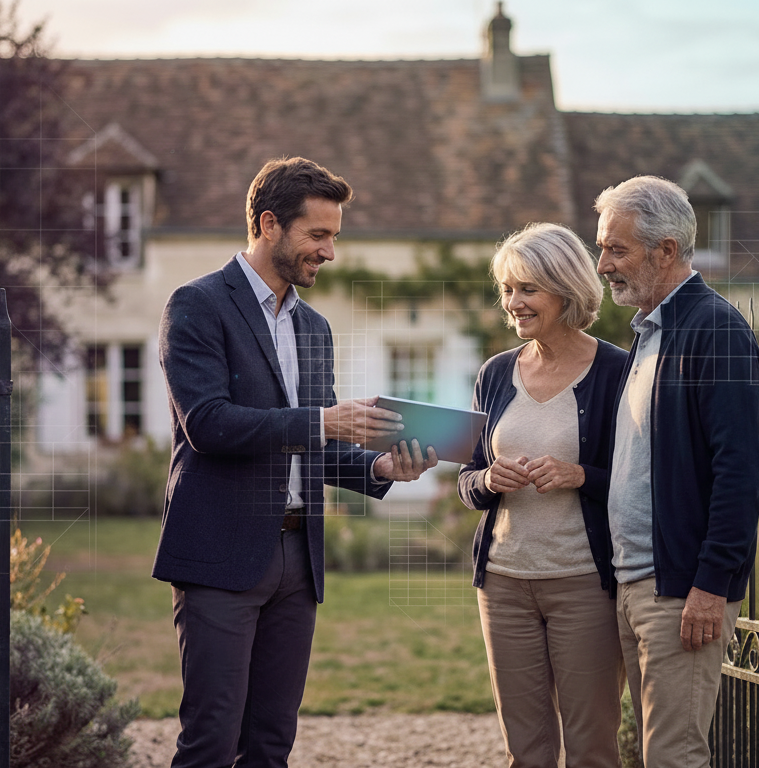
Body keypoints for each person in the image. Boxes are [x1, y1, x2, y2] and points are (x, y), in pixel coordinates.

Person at [153, 156, 438, 768]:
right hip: (219, 557)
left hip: (296, 563)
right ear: (267, 224)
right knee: (210, 742)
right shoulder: (197, 305)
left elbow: (313, 444)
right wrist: (323, 420)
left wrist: (380, 470)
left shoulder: (315, 328)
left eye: (335, 236)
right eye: (318, 235)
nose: (330, 251)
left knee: (272, 744)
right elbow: (207, 424)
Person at [595, 176, 759, 768]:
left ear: (665, 250)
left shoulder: (713, 330)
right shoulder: (649, 334)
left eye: (616, 249)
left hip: (680, 594)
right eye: (602, 248)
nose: (603, 264)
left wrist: (711, 585)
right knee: (650, 751)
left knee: (672, 756)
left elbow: (740, 472)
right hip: (633, 583)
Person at [458, 223, 629, 768]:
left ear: (565, 289)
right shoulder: (495, 373)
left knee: (591, 747)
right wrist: (488, 481)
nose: (513, 303)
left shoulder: (617, 371)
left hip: (584, 584)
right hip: (504, 584)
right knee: (526, 750)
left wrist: (582, 476)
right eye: (508, 289)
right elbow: (468, 479)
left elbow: (643, 481)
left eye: (527, 289)